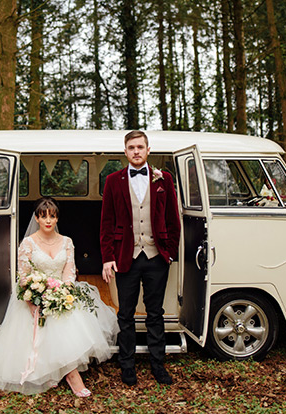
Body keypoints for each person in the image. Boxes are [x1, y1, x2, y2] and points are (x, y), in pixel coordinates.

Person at [0, 197, 118, 396]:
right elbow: (24, 277)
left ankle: (67, 372)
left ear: (57, 219)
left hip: (60, 293)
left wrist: (63, 294)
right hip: (34, 296)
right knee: (45, 321)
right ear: (37, 218)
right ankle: (69, 374)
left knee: (63, 318)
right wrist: (33, 300)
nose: (48, 221)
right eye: (44, 217)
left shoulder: (67, 242)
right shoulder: (28, 243)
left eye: (52, 216)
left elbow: (69, 272)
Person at [100, 130, 181, 386]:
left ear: (148, 150)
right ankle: (127, 367)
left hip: (157, 256)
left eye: (140, 147)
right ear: (125, 152)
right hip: (127, 256)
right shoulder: (113, 180)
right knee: (125, 314)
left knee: (155, 313)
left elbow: (172, 219)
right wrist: (107, 257)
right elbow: (106, 222)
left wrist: (170, 252)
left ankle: (158, 366)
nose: (136, 151)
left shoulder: (163, 179)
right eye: (131, 147)